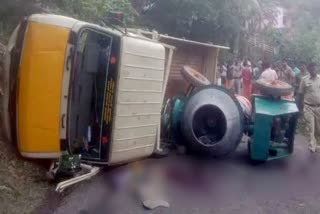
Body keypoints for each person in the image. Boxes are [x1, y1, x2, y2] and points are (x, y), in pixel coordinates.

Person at [298, 63, 320, 153]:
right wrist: (300, 108)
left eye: (315, 68)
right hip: (308, 107)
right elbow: (300, 94)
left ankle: (316, 143)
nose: (313, 70)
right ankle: (312, 145)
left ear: (317, 69)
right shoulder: (304, 80)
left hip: (318, 107)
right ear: (309, 70)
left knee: (318, 128)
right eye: (311, 69)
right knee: (311, 126)